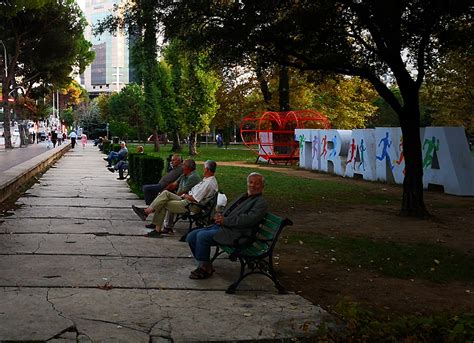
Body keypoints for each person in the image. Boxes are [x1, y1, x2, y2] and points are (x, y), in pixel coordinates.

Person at [186, 172, 267, 279]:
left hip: (238, 234)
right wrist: (220, 216)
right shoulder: (244, 196)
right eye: (250, 182)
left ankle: (204, 268)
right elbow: (230, 210)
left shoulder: (260, 202)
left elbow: (247, 220)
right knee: (191, 236)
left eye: (257, 183)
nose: (252, 185)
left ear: (262, 186)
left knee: (202, 237)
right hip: (224, 227)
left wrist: (225, 220)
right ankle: (205, 263)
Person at [132, 160, 218, 238]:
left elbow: (195, 199)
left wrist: (185, 195)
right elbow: (176, 185)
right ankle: (148, 215)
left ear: (207, 169)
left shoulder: (208, 183)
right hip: (187, 200)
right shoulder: (207, 180)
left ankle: (150, 218)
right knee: (165, 194)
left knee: (163, 202)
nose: (203, 169)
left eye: (204, 168)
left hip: (191, 205)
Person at [150, 158, 202, 232]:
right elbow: (173, 185)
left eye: (183, 165)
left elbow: (182, 192)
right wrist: (163, 191)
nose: (181, 167)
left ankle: (151, 216)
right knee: (164, 195)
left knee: (164, 200)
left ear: (189, 167)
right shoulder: (184, 174)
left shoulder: (193, 177)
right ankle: (155, 220)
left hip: (187, 199)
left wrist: (170, 195)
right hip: (182, 197)